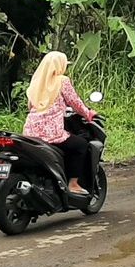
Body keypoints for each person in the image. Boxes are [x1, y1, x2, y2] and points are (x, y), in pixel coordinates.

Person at [24, 51, 98, 195]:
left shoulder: (35, 83)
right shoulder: (62, 81)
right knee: (80, 145)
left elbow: (30, 106)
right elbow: (74, 102)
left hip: (30, 133)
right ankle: (73, 184)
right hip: (52, 134)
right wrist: (88, 113)